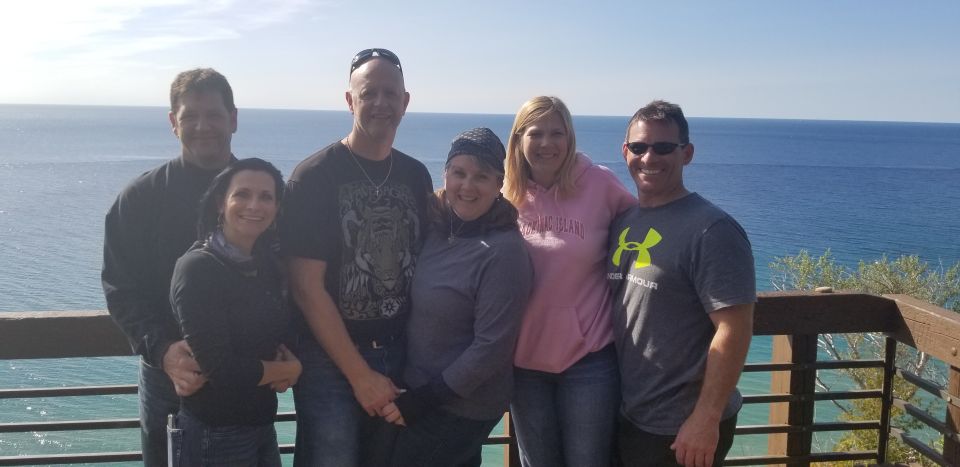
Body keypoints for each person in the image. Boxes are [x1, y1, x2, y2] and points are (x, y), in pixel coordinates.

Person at [280, 48, 433, 466]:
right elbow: (306, 287)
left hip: (401, 354)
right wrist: (360, 375)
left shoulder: (415, 176)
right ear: (350, 100)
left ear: (405, 102)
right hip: (329, 360)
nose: (381, 103)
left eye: (390, 93)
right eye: (369, 93)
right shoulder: (314, 177)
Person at [607, 100, 755, 467]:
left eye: (663, 147)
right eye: (639, 147)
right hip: (631, 414)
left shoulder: (711, 230)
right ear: (625, 152)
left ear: (686, 154)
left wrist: (705, 418)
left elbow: (735, 328)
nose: (649, 157)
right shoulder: (625, 219)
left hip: (682, 428)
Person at [102, 68, 237, 466]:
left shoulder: (260, 194)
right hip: (171, 379)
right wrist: (162, 351)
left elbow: (286, 277)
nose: (202, 126)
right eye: (189, 115)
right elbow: (120, 287)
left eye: (213, 115)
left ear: (233, 119)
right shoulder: (140, 198)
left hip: (248, 377)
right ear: (172, 123)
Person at [386, 128, 533, 466]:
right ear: (445, 175)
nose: (467, 186)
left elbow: (492, 347)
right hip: (420, 391)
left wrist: (425, 400)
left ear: (499, 184)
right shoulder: (438, 229)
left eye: (481, 177)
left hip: (462, 405)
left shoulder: (504, 252)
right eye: (459, 173)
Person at [503, 96, 636, 467]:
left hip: (589, 360)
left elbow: (646, 228)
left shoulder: (599, 183)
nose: (546, 143)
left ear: (570, 137)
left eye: (556, 133)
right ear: (519, 139)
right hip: (524, 362)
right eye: (536, 133)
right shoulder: (505, 195)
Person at [168, 157, 300, 466]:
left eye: (266, 197)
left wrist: (285, 357)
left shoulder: (266, 265)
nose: (254, 205)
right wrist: (290, 370)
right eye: (242, 194)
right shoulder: (198, 268)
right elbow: (221, 370)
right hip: (214, 433)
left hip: (260, 424)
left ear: (277, 208)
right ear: (220, 203)